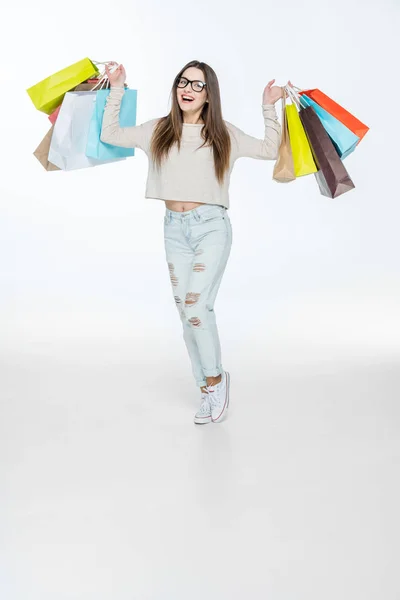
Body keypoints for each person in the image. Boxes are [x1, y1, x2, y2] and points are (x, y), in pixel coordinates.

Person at [101, 60, 282, 425]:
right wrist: (117, 86)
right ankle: (207, 390)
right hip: (174, 231)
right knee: (187, 315)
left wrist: (268, 105)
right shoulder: (158, 131)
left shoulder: (222, 135)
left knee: (197, 307)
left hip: (211, 228)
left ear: (209, 95)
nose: (187, 89)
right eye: (183, 82)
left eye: (197, 85)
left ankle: (216, 381)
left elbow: (268, 149)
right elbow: (111, 134)